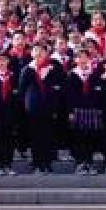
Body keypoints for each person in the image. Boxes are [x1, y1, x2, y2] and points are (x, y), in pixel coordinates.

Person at [18, 43, 66, 175]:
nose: (38, 53)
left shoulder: (54, 68)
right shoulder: (27, 69)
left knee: (49, 136)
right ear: (32, 53)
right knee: (35, 137)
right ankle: (37, 163)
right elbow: (21, 91)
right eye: (36, 51)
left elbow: (61, 88)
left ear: (46, 53)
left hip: (50, 108)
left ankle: (47, 163)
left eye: (41, 51)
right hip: (32, 109)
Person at [64, 49, 106, 175]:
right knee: (78, 137)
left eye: (85, 57)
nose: (82, 60)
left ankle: (89, 162)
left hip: (92, 111)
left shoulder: (94, 75)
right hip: (76, 111)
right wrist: (70, 111)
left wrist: (99, 110)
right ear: (75, 60)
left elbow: (99, 95)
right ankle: (80, 163)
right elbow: (68, 96)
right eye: (79, 57)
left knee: (90, 137)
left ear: (89, 59)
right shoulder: (71, 75)